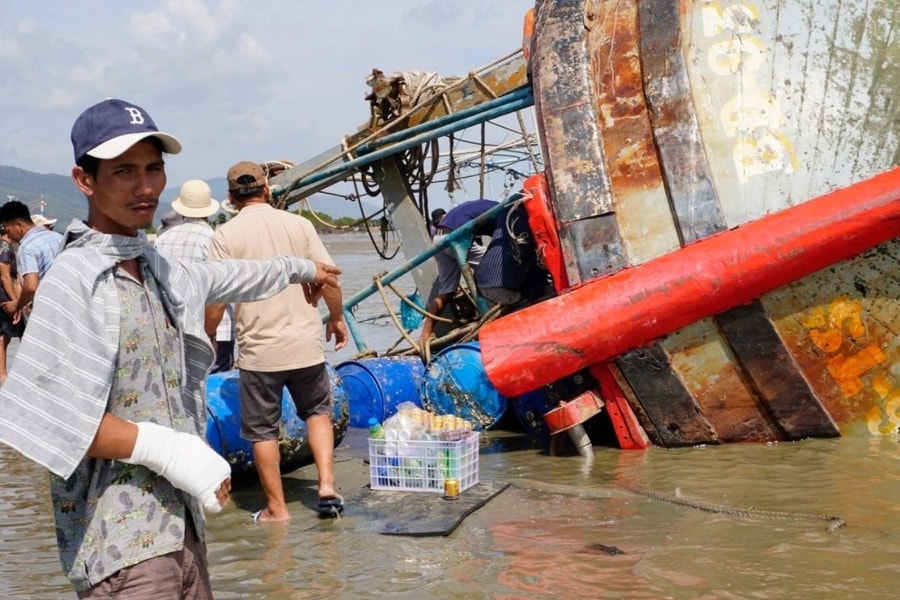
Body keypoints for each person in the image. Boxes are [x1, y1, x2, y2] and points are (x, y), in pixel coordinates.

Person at [0, 98, 341, 597]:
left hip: (181, 525)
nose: (146, 187)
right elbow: (50, 413)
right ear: (84, 180)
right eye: (124, 171)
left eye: (154, 168)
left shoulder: (156, 266)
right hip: (121, 540)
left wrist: (303, 269)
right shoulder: (75, 279)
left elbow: (231, 276)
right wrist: (171, 450)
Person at [209, 160, 349, 523]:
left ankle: (277, 510)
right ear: (267, 189)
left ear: (230, 197)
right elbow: (330, 279)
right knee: (317, 413)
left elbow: (215, 298)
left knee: (262, 431)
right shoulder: (299, 225)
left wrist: (207, 336)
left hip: (259, 353)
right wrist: (336, 318)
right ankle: (327, 485)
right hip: (305, 344)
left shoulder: (225, 236)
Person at [155, 179, 236, 373]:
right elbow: (221, 288)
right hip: (215, 330)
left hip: (174, 327)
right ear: (209, 209)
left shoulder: (163, 239)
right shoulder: (215, 239)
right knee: (213, 385)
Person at [418, 199, 497, 342]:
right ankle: (489, 313)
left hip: (439, 238)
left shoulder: (469, 208)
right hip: (456, 237)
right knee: (493, 264)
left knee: (447, 290)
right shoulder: (504, 211)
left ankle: (426, 333)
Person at [0, 199, 64, 324]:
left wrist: (16, 305)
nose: (9, 236)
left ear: (18, 225)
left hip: (47, 310)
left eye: (8, 231)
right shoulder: (59, 238)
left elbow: (30, 286)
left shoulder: (27, 247)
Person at [0, 225, 24, 383]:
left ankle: (3, 373)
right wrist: (16, 301)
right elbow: (6, 277)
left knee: (5, 337)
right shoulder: (5, 249)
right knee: (6, 336)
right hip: (4, 297)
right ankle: (3, 374)